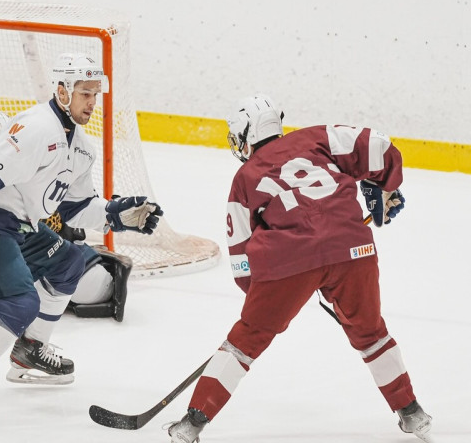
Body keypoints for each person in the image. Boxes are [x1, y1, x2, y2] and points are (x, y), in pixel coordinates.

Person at [167, 94, 432, 443]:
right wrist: (382, 186)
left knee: (244, 342)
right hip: (354, 249)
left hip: (287, 263)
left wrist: (271, 299)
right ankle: (411, 412)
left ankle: (192, 423)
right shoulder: (317, 137)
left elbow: (243, 264)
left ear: (245, 135)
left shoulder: (245, 177)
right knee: (371, 335)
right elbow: (380, 146)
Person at [0, 53, 163, 429]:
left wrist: (117, 215)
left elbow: (75, 208)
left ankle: (29, 350)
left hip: (21, 224)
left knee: (70, 261)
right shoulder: (35, 128)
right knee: (20, 302)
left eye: (95, 95)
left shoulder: (81, 148)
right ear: (62, 91)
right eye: (85, 93)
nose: (92, 102)